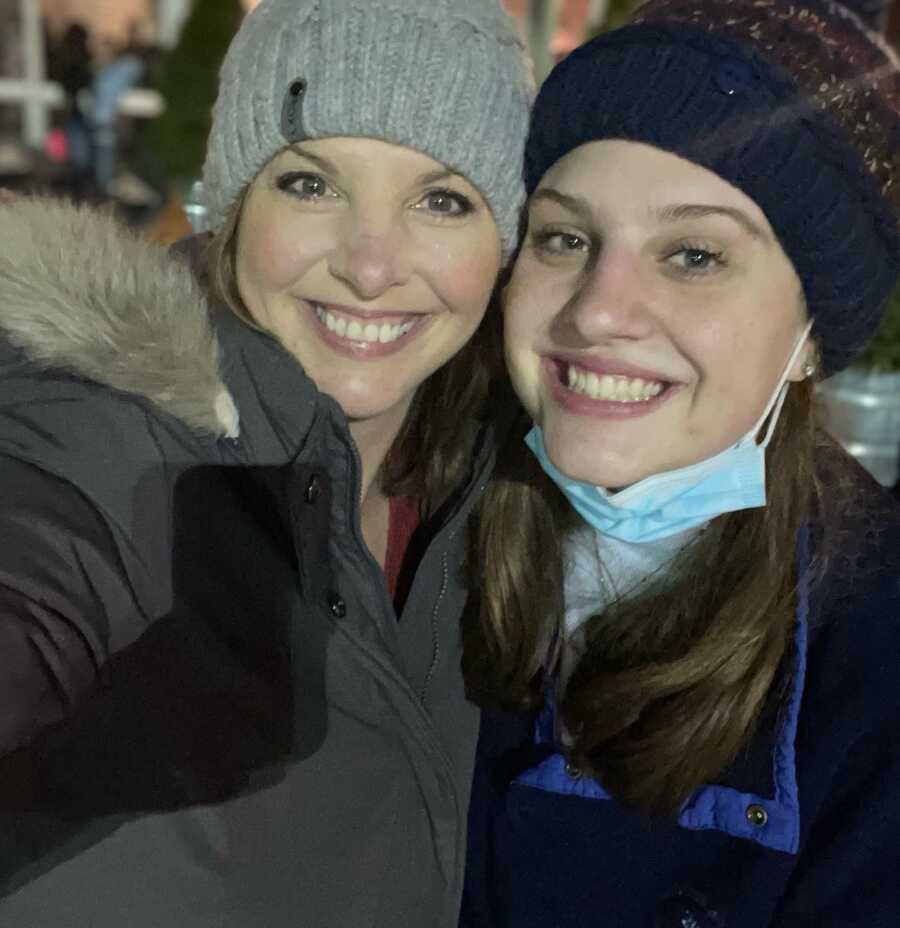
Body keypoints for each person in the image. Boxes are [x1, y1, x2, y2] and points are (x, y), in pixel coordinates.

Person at [0, 0, 532, 925]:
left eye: (441, 200)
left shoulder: (499, 477)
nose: (371, 267)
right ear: (237, 208)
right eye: (311, 185)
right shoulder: (98, 437)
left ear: (506, 244)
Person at [460, 1, 900, 926]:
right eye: (565, 239)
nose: (597, 311)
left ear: (811, 333)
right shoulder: (421, 531)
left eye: (693, 254)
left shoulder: (872, 665)